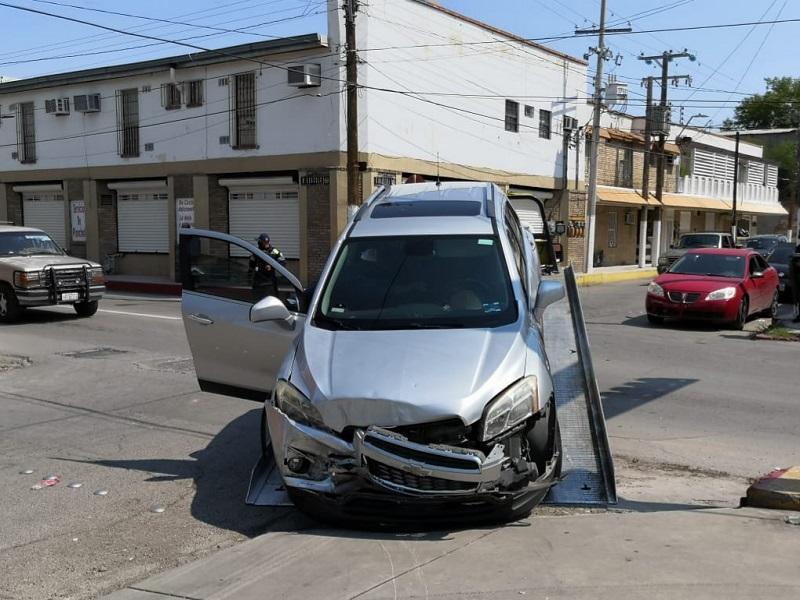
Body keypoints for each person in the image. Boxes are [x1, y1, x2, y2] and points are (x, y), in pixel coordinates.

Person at [249, 233, 286, 302]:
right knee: (257, 301)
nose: (259, 243)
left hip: (270, 283)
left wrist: (272, 266)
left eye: (260, 242)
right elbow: (251, 265)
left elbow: (283, 262)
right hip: (258, 282)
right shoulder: (256, 252)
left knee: (271, 301)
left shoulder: (275, 251)